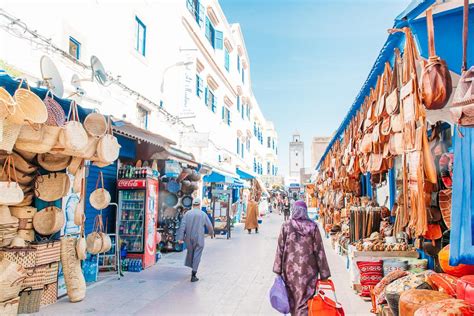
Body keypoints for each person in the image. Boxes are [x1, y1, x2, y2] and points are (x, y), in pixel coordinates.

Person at [273, 200, 331, 316]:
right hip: (309, 271)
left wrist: (278, 270)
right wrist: (324, 273)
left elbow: (280, 248)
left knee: (293, 300)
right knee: (305, 300)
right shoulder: (313, 226)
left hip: (290, 271)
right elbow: (319, 251)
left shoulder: (286, 226)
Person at [177, 197, 214, 282]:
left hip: (189, 238)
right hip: (199, 238)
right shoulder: (203, 214)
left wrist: (180, 238)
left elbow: (182, 226)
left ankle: (192, 268)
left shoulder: (187, 214)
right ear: (199, 205)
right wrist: (211, 233)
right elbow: (209, 225)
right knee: (197, 254)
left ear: (193, 205)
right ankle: (194, 274)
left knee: (191, 253)